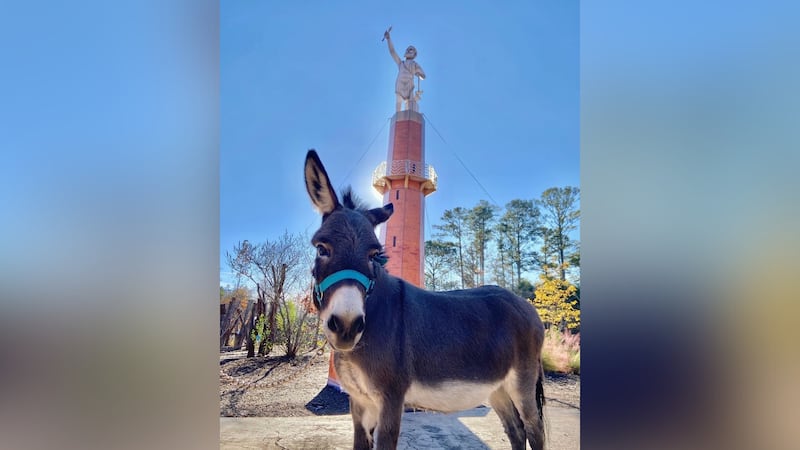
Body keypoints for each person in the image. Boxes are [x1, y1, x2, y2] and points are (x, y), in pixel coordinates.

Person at [384, 29, 426, 112]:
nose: (408, 51)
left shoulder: (415, 64)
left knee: (409, 107)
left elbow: (423, 76)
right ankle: (398, 117)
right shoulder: (401, 63)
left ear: (414, 54)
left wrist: (419, 74)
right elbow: (392, 52)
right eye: (407, 49)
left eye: (411, 49)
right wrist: (388, 39)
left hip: (409, 86)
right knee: (398, 108)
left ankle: (409, 115)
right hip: (399, 86)